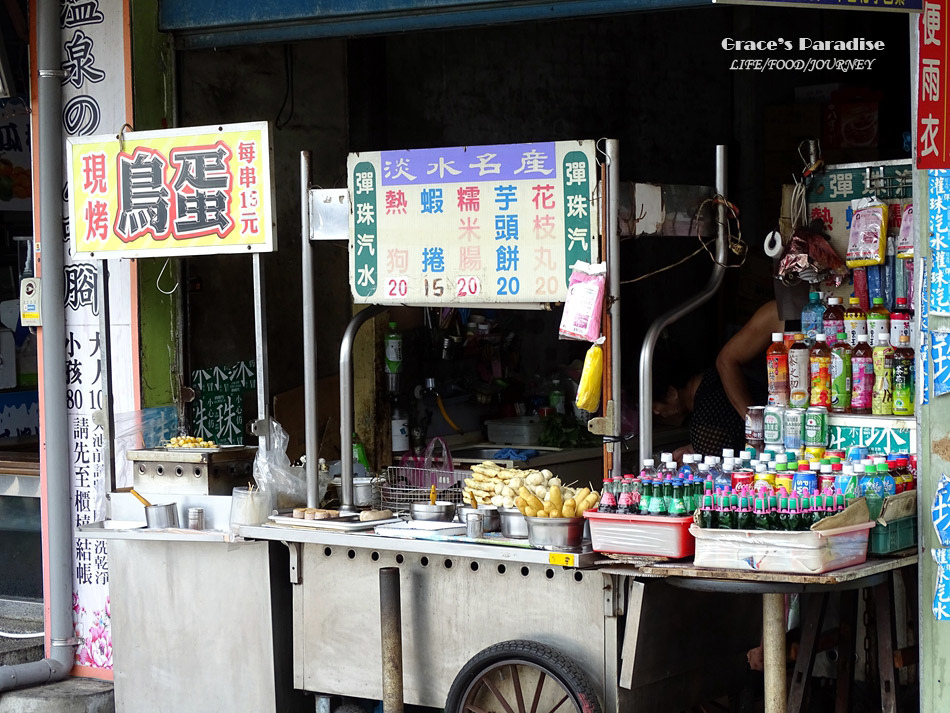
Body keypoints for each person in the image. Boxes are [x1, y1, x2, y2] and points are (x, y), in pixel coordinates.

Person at [652, 300, 784, 460]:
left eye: (654, 406)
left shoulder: (708, 413)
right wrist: (754, 426)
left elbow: (726, 361)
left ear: (672, 393)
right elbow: (726, 360)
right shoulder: (777, 312)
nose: (656, 412)